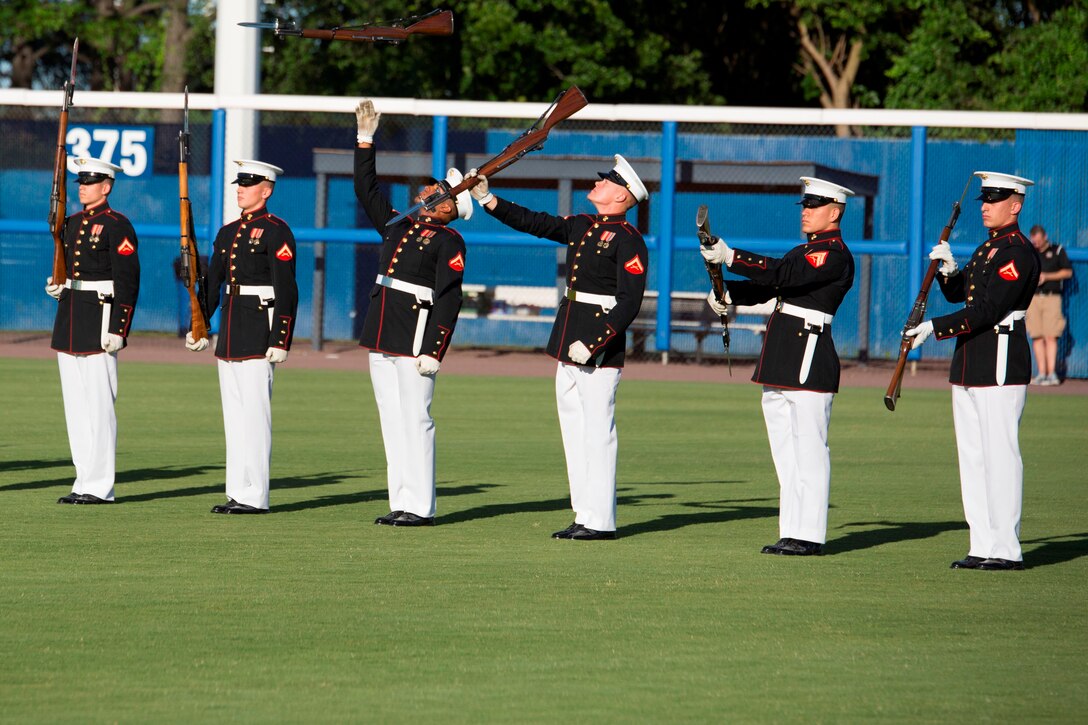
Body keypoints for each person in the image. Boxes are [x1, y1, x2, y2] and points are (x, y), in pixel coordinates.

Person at [470, 155, 649, 540]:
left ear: (621, 195)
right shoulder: (584, 225)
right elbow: (536, 222)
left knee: (597, 433)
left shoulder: (628, 239)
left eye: (607, 182)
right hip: (569, 340)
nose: (598, 184)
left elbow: (628, 301)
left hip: (596, 350)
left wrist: (597, 343)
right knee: (574, 433)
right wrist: (489, 200)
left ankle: (601, 521)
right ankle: (585, 514)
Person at [702, 177, 856, 556]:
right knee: (786, 456)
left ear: (834, 212)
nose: (805, 211)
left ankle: (811, 535)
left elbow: (781, 276)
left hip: (808, 358)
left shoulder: (831, 254)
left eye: (814, 206)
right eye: (805, 205)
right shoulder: (803, 251)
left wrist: (732, 257)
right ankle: (792, 530)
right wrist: (728, 292)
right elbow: (770, 288)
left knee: (810, 453)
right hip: (782, 360)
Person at [905, 171, 1040, 571]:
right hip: (969, 360)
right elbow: (962, 294)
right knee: (974, 458)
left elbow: (987, 311)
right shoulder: (987, 249)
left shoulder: (1016, 252)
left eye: (994, 200)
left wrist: (935, 328)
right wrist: (950, 271)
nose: (985, 206)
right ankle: (982, 544)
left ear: (1015, 205)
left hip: (999, 358)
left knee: (1000, 455)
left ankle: (1006, 548)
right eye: (984, 199)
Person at [353, 99, 472, 527]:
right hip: (383, 326)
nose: (424, 190)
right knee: (391, 420)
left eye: (435, 190)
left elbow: (449, 297)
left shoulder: (449, 241)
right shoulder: (400, 224)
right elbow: (367, 190)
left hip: (416, 333)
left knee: (415, 418)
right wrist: (365, 140)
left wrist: (434, 349)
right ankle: (400, 500)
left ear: (446, 208)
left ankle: (420, 505)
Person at [185, 160, 298, 514]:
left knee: (255, 416)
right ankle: (237, 490)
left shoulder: (277, 231)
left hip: (258, 327)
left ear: (266, 190)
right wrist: (199, 324)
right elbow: (213, 284)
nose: (240, 189)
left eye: (248, 185)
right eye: (239, 184)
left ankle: (255, 494)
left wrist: (280, 338)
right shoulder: (228, 232)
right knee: (234, 418)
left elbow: (287, 290)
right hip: (232, 329)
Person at [48, 157, 140, 505]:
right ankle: (83, 480)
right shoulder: (71, 224)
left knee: (100, 406)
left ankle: (100, 486)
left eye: (90, 182)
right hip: (71, 316)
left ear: (107, 186)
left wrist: (119, 327)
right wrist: (59, 284)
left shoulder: (118, 226)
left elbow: (127, 281)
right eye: (81, 182)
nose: (83, 187)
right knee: (76, 408)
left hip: (100, 315)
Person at [1026, 225, 1072, 385]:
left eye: (1038, 240)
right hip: (1034, 298)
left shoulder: (1057, 250)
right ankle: (1041, 373)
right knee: (1036, 336)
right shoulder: (1030, 252)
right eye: (1034, 241)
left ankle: (1052, 374)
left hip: (1052, 298)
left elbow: (1068, 272)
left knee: (1051, 336)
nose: (1036, 243)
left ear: (1044, 236)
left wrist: (1047, 276)